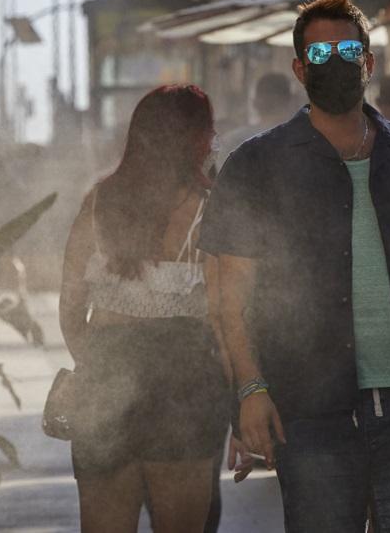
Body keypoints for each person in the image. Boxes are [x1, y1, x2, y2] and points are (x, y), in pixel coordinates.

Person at [200, 0, 390, 532]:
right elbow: (228, 299)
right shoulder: (257, 165)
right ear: (298, 69)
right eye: (317, 54)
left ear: (369, 61)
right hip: (311, 413)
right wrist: (249, 391)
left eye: (345, 48)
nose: (333, 61)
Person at [59, 85, 244, 533]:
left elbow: (69, 308)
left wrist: (100, 362)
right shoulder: (209, 211)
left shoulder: (99, 203)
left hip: (105, 376)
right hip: (185, 381)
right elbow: (223, 315)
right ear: (198, 139)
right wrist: (242, 406)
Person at [218, 72, 293, 168]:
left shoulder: (233, 140)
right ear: (289, 101)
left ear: (255, 102)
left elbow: (221, 179)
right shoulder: (303, 139)